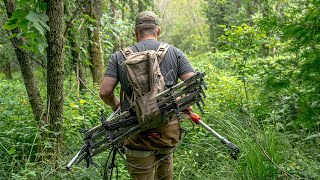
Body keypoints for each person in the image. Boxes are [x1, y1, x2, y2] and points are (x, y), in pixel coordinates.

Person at [100, 11, 195, 180]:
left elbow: (105, 92)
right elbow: (193, 86)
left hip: (137, 133)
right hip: (167, 133)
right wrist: (181, 102)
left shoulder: (119, 57)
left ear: (136, 33)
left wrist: (117, 106)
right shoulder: (175, 52)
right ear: (158, 30)